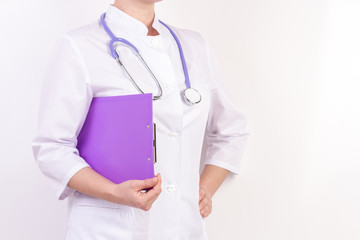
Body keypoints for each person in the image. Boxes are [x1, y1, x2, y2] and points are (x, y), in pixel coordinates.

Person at [31, 0, 249, 239]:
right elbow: (52, 148)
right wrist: (114, 192)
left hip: (184, 228)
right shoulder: (79, 46)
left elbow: (231, 131)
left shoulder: (194, 46)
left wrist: (204, 188)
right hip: (110, 229)